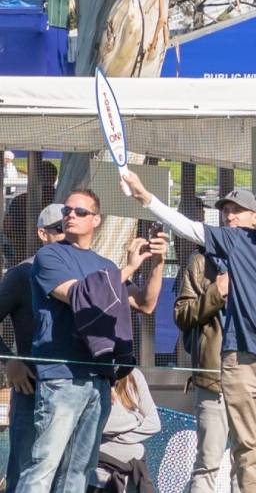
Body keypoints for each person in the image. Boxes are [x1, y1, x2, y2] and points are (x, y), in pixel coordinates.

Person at [127, 175, 256, 493]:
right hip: (239, 364)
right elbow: (188, 227)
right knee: (245, 453)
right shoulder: (240, 243)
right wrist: (147, 198)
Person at [22, 188, 165, 493]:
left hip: (99, 378)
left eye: (80, 212)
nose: (70, 215)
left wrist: (158, 262)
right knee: (45, 465)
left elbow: (145, 304)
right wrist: (127, 268)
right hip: (62, 377)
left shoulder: (104, 266)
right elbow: (79, 295)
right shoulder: (50, 256)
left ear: (96, 220)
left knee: (80, 470)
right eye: (67, 211)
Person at [173, 190, 256, 493]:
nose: (230, 216)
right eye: (226, 211)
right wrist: (216, 294)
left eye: (238, 210)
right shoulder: (200, 260)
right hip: (214, 379)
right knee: (207, 464)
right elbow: (181, 315)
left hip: (254, 378)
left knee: (247, 464)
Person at [0, 204, 63, 490]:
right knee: (24, 468)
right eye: (60, 229)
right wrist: (8, 360)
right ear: (43, 234)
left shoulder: (89, 269)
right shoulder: (21, 274)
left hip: (75, 388)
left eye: (72, 228)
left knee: (70, 469)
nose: (67, 234)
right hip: (31, 389)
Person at [95, 367, 159, 493]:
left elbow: (154, 423)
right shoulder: (92, 373)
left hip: (132, 465)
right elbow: (99, 423)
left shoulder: (134, 375)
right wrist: (137, 417)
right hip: (99, 462)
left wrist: (118, 437)